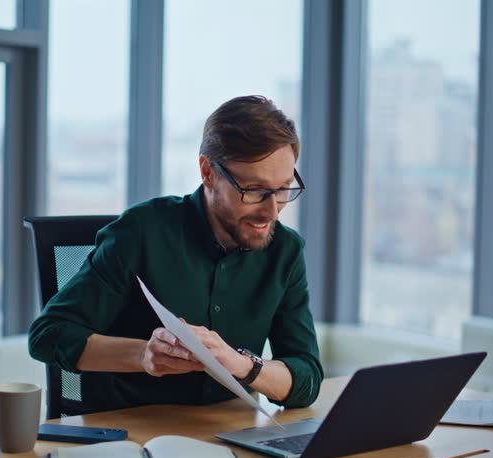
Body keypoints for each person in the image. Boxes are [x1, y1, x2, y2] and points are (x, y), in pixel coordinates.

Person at [28, 95, 323, 413]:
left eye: (282, 190)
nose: (272, 212)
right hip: (128, 434)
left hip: (230, 432)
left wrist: (241, 365)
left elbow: (306, 380)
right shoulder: (141, 231)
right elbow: (48, 335)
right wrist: (143, 356)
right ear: (208, 172)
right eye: (254, 191)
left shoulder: (285, 250)